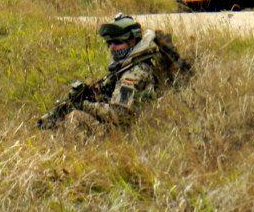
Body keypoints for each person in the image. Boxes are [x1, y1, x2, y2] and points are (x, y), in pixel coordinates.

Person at [37, 14, 189, 129]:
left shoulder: (134, 74)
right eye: (109, 43)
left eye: (117, 43)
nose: (112, 47)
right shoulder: (133, 63)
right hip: (132, 123)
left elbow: (119, 115)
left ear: (132, 41)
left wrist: (83, 105)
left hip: (125, 131)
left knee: (74, 117)